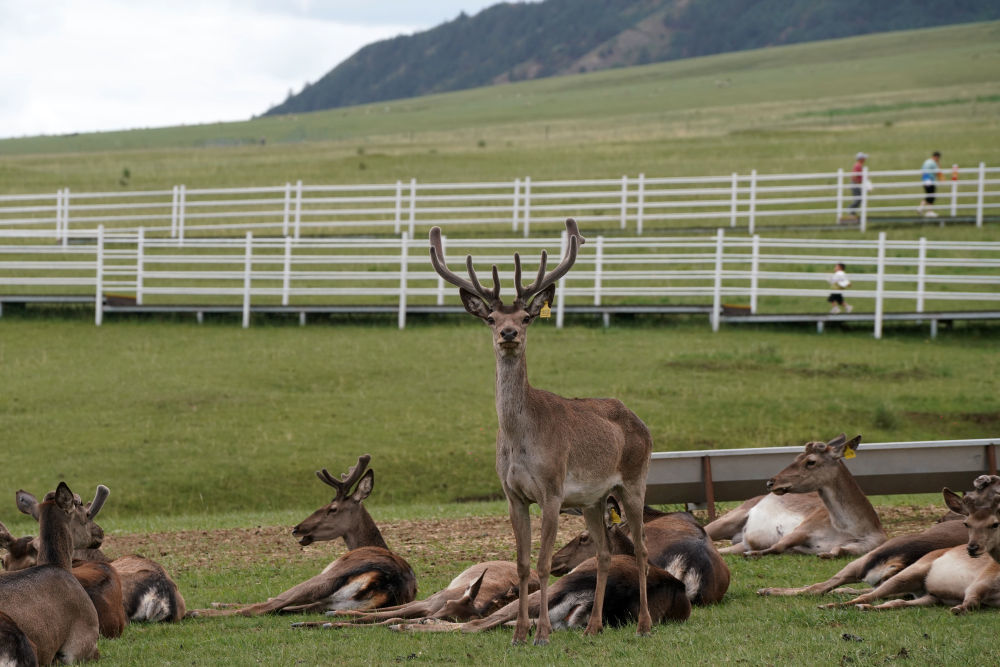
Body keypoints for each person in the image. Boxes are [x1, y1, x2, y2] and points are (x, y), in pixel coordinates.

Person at [918, 151, 943, 218]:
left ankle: (921, 208)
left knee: (929, 196)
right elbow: (938, 172)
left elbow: (922, 171)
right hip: (930, 181)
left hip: (924, 180)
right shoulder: (933, 163)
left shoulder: (927, 161)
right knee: (931, 196)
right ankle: (929, 211)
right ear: (936, 157)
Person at [844, 152, 867, 221]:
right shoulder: (858, 166)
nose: (865, 159)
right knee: (858, 198)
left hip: (855, 183)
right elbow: (855, 176)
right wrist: (858, 183)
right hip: (855, 183)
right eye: (864, 158)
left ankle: (852, 212)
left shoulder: (858, 165)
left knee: (859, 198)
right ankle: (850, 209)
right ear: (861, 159)